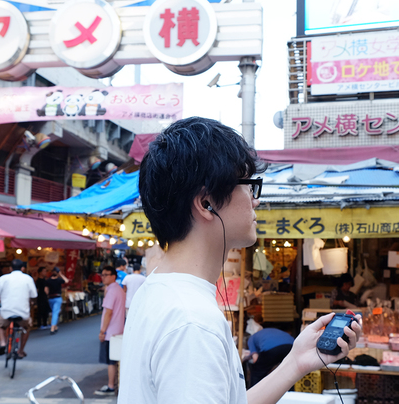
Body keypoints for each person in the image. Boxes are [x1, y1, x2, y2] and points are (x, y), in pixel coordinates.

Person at [119, 117, 362, 404]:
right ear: (207, 203)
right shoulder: (193, 323)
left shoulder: (156, 290)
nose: (255, 200)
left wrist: (296, 362)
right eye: (249, 185)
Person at [0, 259, 37, 359]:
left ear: (10, 268)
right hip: (23, 313)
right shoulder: (28, 279)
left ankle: (3, 343)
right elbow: (34, 295)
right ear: (23, 268)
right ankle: (21, 350)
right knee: (26, 327)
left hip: (6, 313)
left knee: (0, 326)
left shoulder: (3, 278)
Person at [94, 265, 125, 396]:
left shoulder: (112, 291)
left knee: (111, 361)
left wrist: (103, 331)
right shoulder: (119, 290)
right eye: (102, 275)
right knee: (116, 360)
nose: (103, 277)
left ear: (113, 276)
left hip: (110, 331)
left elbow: (108, 312)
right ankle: (115, 385)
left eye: (106, 275)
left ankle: (111, 386)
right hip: (118, 329)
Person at [45, 267, 69, 335]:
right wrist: (61, 275)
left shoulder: (48, 280)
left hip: (50, 298)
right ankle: (52, 328)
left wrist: (48, 294)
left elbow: (46, 290)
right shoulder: (59, 280)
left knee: (54, 312)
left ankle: (55, 327)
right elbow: (66, 281)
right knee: (55, 312)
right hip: (57, 298)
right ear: (58, 273)